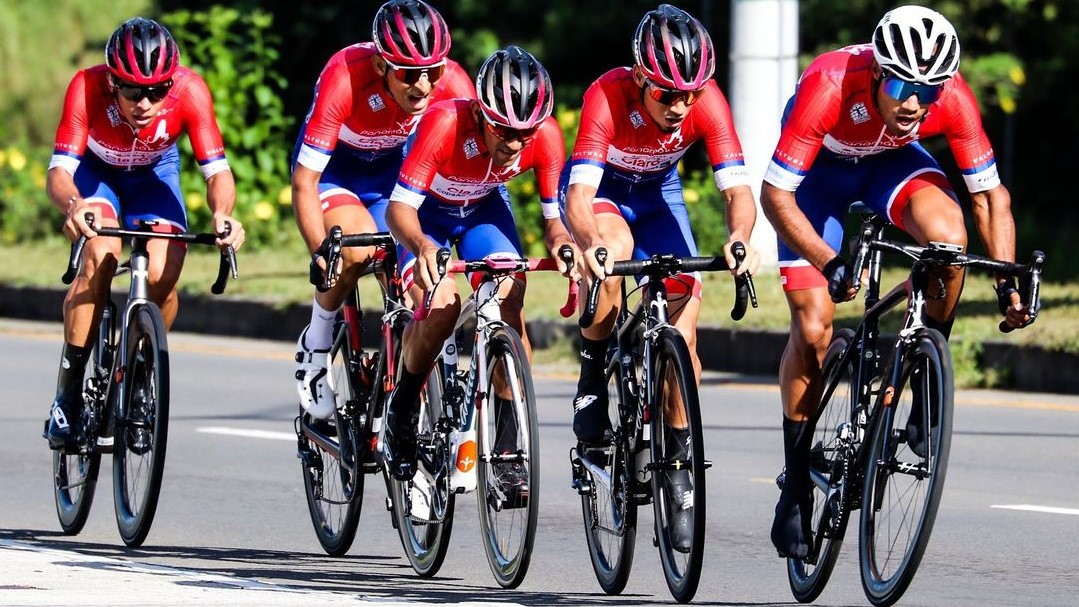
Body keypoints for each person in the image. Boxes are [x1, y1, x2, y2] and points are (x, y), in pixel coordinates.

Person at [761, 5, 1034, 559]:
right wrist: (828, 259)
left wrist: (1007, 277)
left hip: (888, 165)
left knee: (948, 238)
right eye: (902, 85)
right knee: (814, 328)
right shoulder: (830, 83)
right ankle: (794, 485)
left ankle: (923, 366)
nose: (914, 102)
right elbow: (776, 195)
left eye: (929, 91)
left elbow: (988, 197)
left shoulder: (950, 98)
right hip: (815, 180)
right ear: (878, 72)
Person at [563, 4, 761, 551]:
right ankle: (591, 377)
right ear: (639, 79)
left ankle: (676, 462)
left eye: (689, 95)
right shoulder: (606, 95)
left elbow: (737, 192)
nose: (680, 107)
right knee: (615, 251)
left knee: (685, 322)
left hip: (656, 196)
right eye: (666, 94)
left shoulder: (707, 101)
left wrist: (740, 238)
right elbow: (579, 197)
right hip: (604, 194)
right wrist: (592, 245)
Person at [43, 17, 245, 450]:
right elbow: (59, 173)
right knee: (100, 256)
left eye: (157, 90)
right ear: (113, 82)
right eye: (132, 91)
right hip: (98, 176)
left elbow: (217, 172)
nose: (145, 102)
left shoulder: (190, 91)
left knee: (163, 272)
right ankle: (68, 392)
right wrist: (74, 206)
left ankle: (141, 372)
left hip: (155, 175)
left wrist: (223, 214)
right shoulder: (84, 87)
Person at [381, 46, 578, 485]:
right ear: (479, 113)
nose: (513, 144)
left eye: (524, 134)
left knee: (510, 296)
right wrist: (422, 246)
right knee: (442, 306)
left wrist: (565, 244)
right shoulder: (445, 122)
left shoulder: (543, 137)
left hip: (483, 210)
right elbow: (399, 210)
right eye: (502, 129)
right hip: (425, 216)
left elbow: (553, 222)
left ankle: (507, 445)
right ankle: (405, 403)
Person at [292, 0, 476, 422]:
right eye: (410, 74)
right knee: (355, 251)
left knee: (428, 294)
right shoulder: (345, 77)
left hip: (398, 185)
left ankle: (406, 404)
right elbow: (305, 181)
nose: (424, 85)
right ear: (379, 65)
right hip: (338, 175)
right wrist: (320, 250)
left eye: (434, 71)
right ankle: (316, 343)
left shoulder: (454, 86)